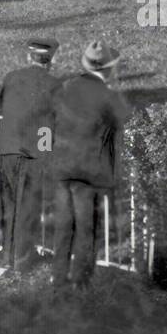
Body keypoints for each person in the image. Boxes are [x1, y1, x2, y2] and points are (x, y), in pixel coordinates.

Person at [49, 41, 131, 288]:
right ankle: (80, 280)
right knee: (87, 228)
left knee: (64, 225)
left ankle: (58, 275)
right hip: (88, 171)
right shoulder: (108, 96)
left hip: (63, 167)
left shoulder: (65, 87)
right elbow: (124, 118)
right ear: (107, 69)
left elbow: (47, 119)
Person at [0, 38, 60, 274]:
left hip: (7, 149)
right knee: (27, 207)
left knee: (10, 206)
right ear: (51, 61)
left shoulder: (11, 77)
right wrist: (45, 153)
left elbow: (1, 106)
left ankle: (6, 257)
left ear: (28, 57)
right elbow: (55, 121)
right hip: (31, 153)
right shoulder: (54, 84)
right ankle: (21, 262)